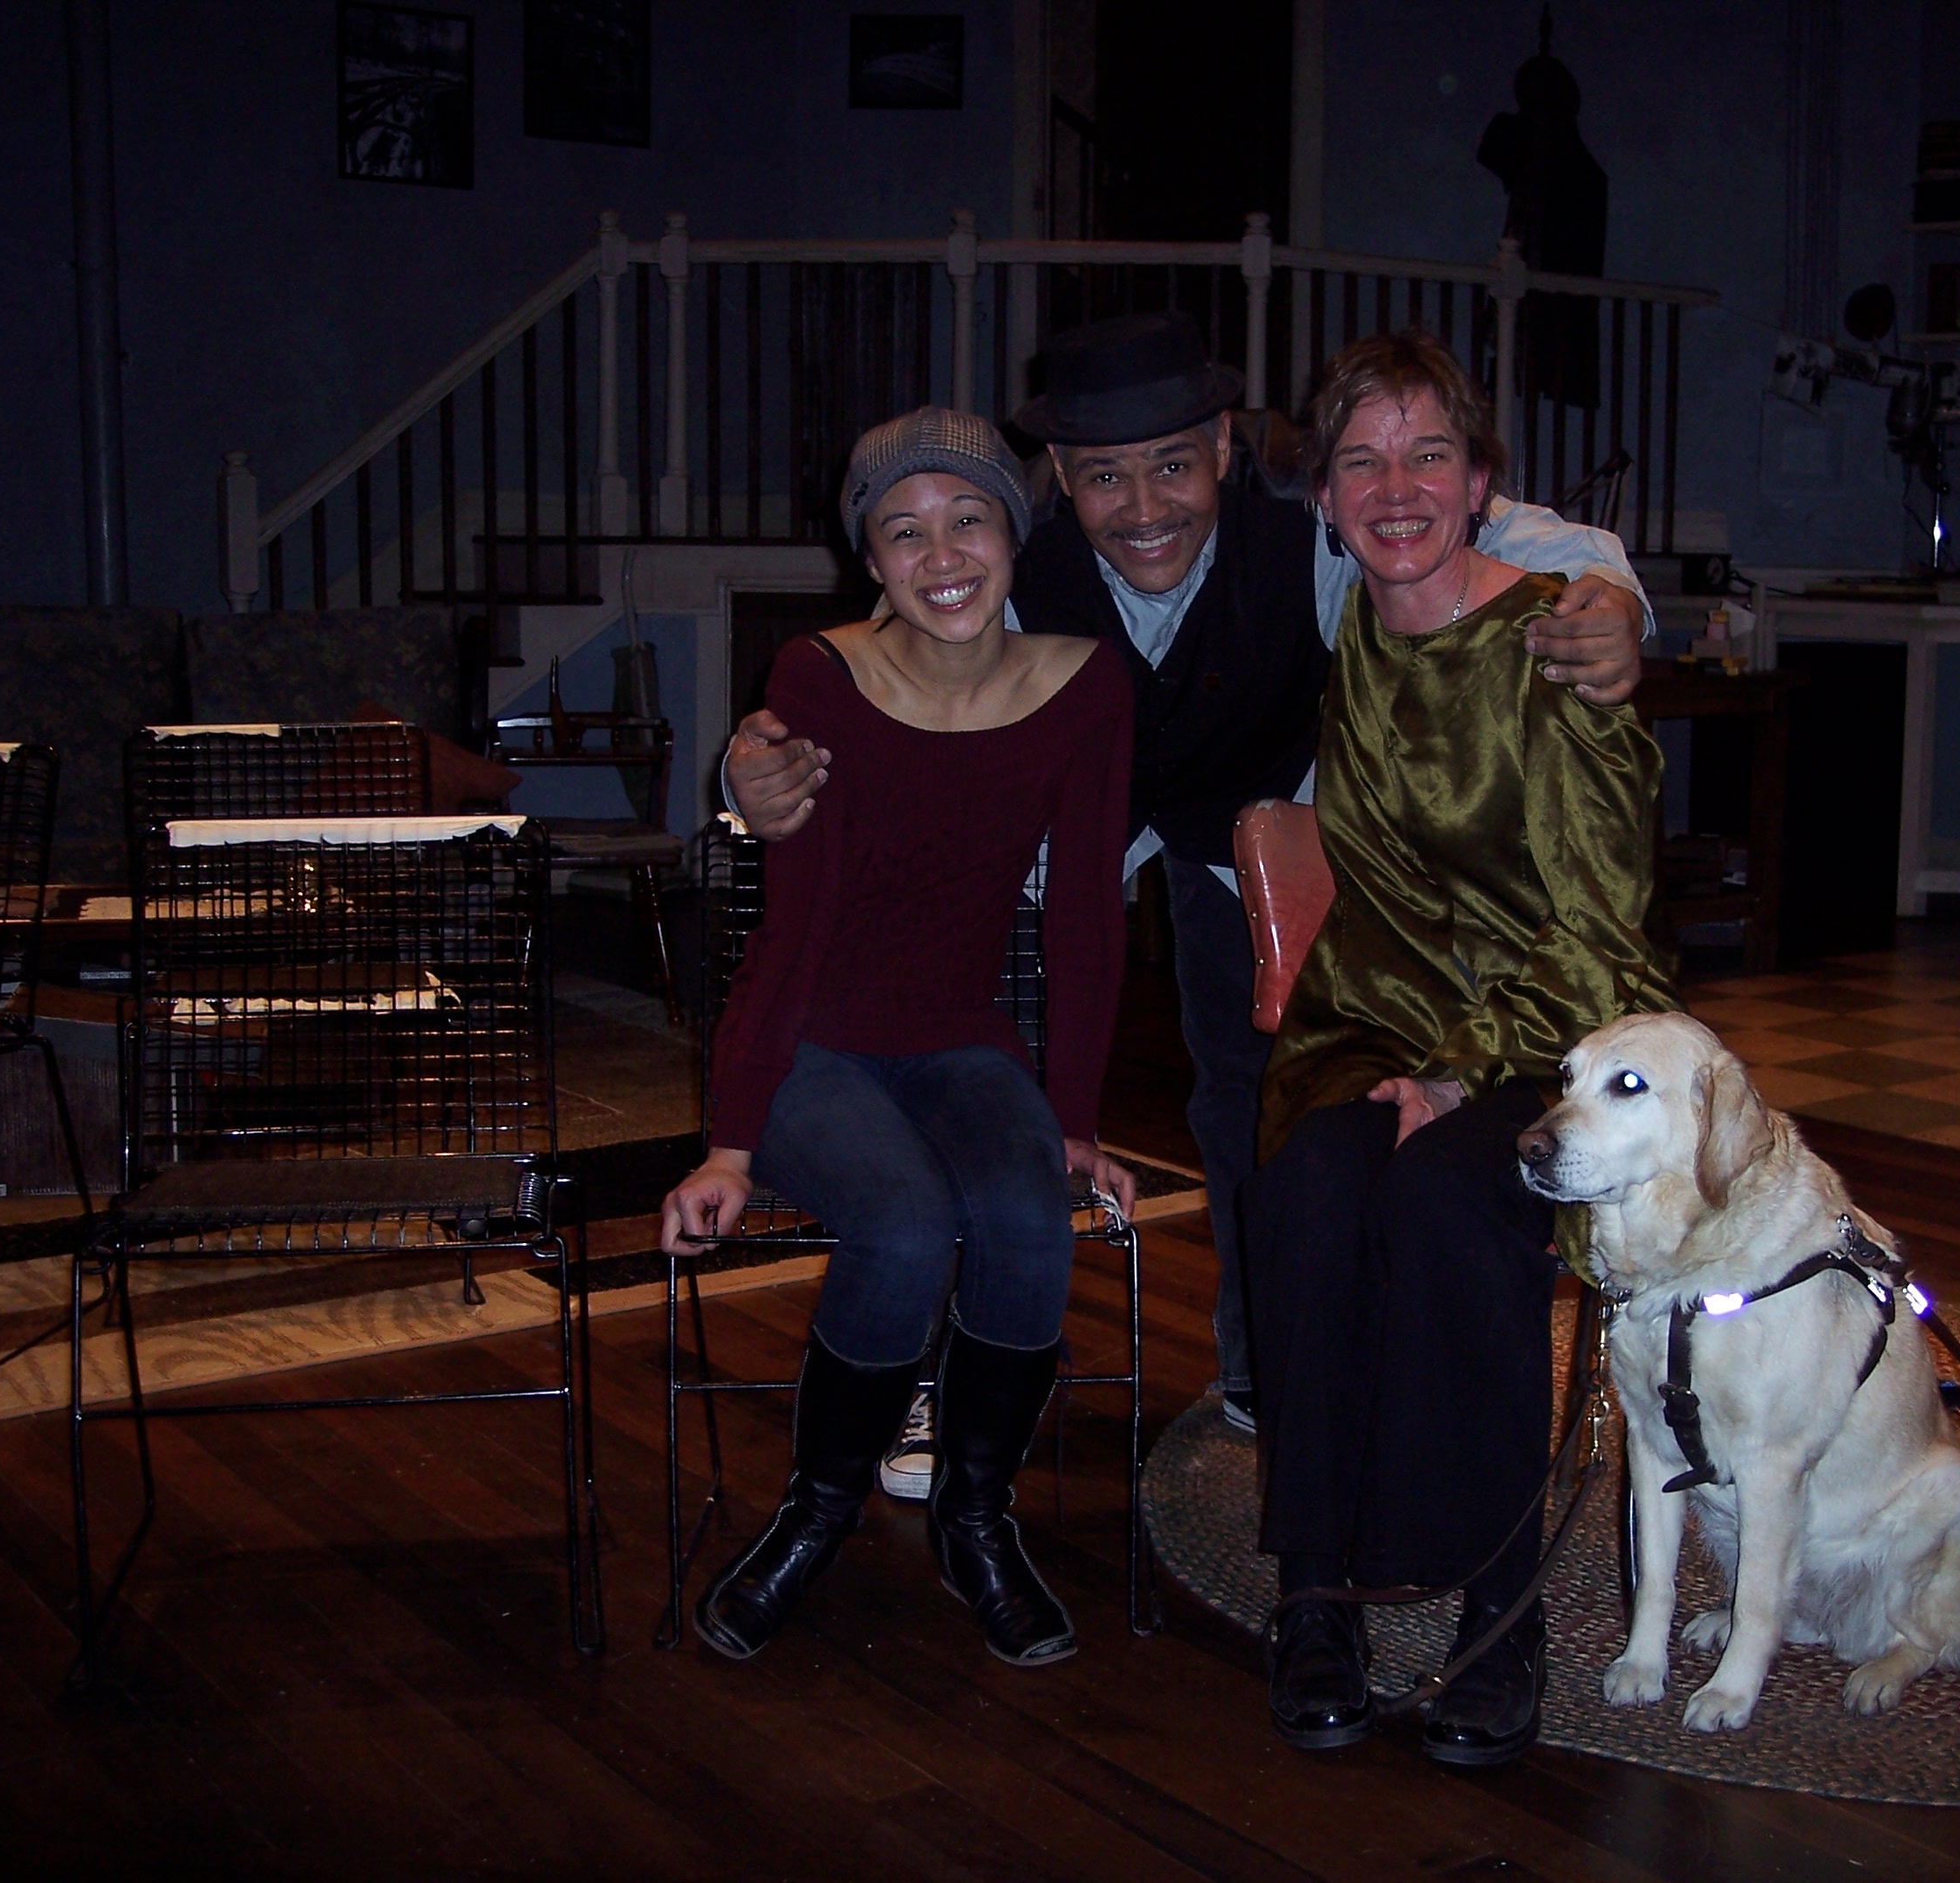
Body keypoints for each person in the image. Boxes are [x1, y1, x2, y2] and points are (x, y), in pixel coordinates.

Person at [722, 314, 1651, 1463]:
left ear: (1222, 446)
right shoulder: (1011, 568)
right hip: (1060, 842)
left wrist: (1611, 594)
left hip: (1252, 825)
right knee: (978, 1093)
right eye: (1105, 475)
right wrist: (746, 776)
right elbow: (875, 671)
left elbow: (1493, 528)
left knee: (1263, 1092)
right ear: (1060, 478)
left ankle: (1269, 1364)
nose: (1144, 507)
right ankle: (937, 1366)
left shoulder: (1306, 523)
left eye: (1172, 463)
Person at [1244, 331, 1675, 1766]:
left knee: (1446, 1198)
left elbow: (1603, 921)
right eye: (1361, 458)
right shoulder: (1358, 626)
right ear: (1326, 500)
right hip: (1373, 1014)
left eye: (1431, 452)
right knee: (1307, 1189)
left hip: (1555, 1032)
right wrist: (1402, 1060)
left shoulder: (1556, 632)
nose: (1396, 484)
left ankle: (1502, 1604)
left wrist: (1462, 1070)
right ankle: (1320, 1588)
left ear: (1483, 483)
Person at [661, 408, 1136, 1669]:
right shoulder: (821, 678)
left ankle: (976, 1520)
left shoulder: (1083, 684)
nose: (943, 553)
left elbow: (1088, 915)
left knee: (1032, 1209)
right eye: (903, 529)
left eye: (968, 516)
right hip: (816, 1042)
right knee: (910, 1221)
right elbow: (792, 924)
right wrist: (730, 1141)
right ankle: (814, 1513)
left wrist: (1075, 1120)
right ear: (869, 560)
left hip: (959, 1038)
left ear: (1012, 531)